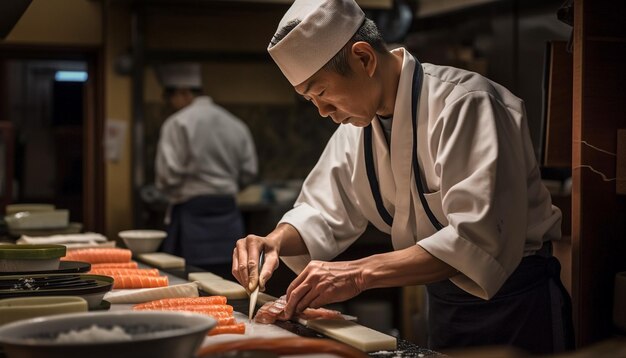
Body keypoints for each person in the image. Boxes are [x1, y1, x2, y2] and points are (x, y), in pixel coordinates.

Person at [232, 0, 575, 354]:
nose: (322, 111)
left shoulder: (467, 105)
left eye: (321, 92)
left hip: (517, 305)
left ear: (363, 58)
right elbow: (322, 210)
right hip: (445, 307)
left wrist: (357, 273)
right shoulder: (357, 126)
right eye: (310, 99)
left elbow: (478, 240)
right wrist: (273, 241)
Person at [155, 62, 257, 278]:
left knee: (188, 279)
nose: (170, 104)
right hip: (228, 211)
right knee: (230, 279)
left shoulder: (177, 123)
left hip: (191, 210)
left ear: (183, 92)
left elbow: (166, 177)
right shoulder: (235, 123)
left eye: (169, 98)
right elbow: (249, 172)